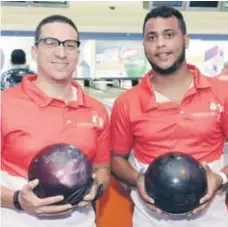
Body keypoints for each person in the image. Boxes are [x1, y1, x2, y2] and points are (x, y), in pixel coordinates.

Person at [110, 6, 228, 227]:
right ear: (144, 44)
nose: (160, 44)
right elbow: (116, 159)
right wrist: (138, 179)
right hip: (151, 219)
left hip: (211, 217)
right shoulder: (126, 102)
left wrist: (220, 178)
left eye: (169, 34)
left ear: (186, 39)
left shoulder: (222, 94)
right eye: (151, 37)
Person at [1, 15, 110, 227]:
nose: (61, 53)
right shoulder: (4, 104)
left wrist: (97, 188)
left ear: (78, 54)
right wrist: (17, 200)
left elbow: (103, 169)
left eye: (70, 45)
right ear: (35, 51)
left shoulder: (97, 110)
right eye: (50, 43)